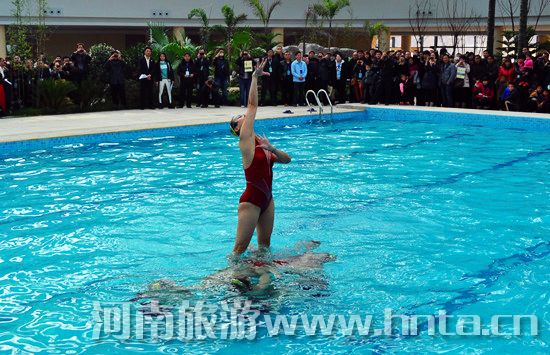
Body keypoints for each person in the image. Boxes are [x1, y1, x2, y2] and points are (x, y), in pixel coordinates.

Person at [228, 59, 292, 255]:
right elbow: (252, 105)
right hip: (251, 201)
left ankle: (262, 275)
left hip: (267, 200)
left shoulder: (262, 145)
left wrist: (272, 149)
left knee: (265, 245)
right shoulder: (245, 141)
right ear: (238, 129)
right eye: (240, 119)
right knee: (239, 249)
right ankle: (230, 279)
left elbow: (287, 159)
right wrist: (255, 78)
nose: (244, 118)